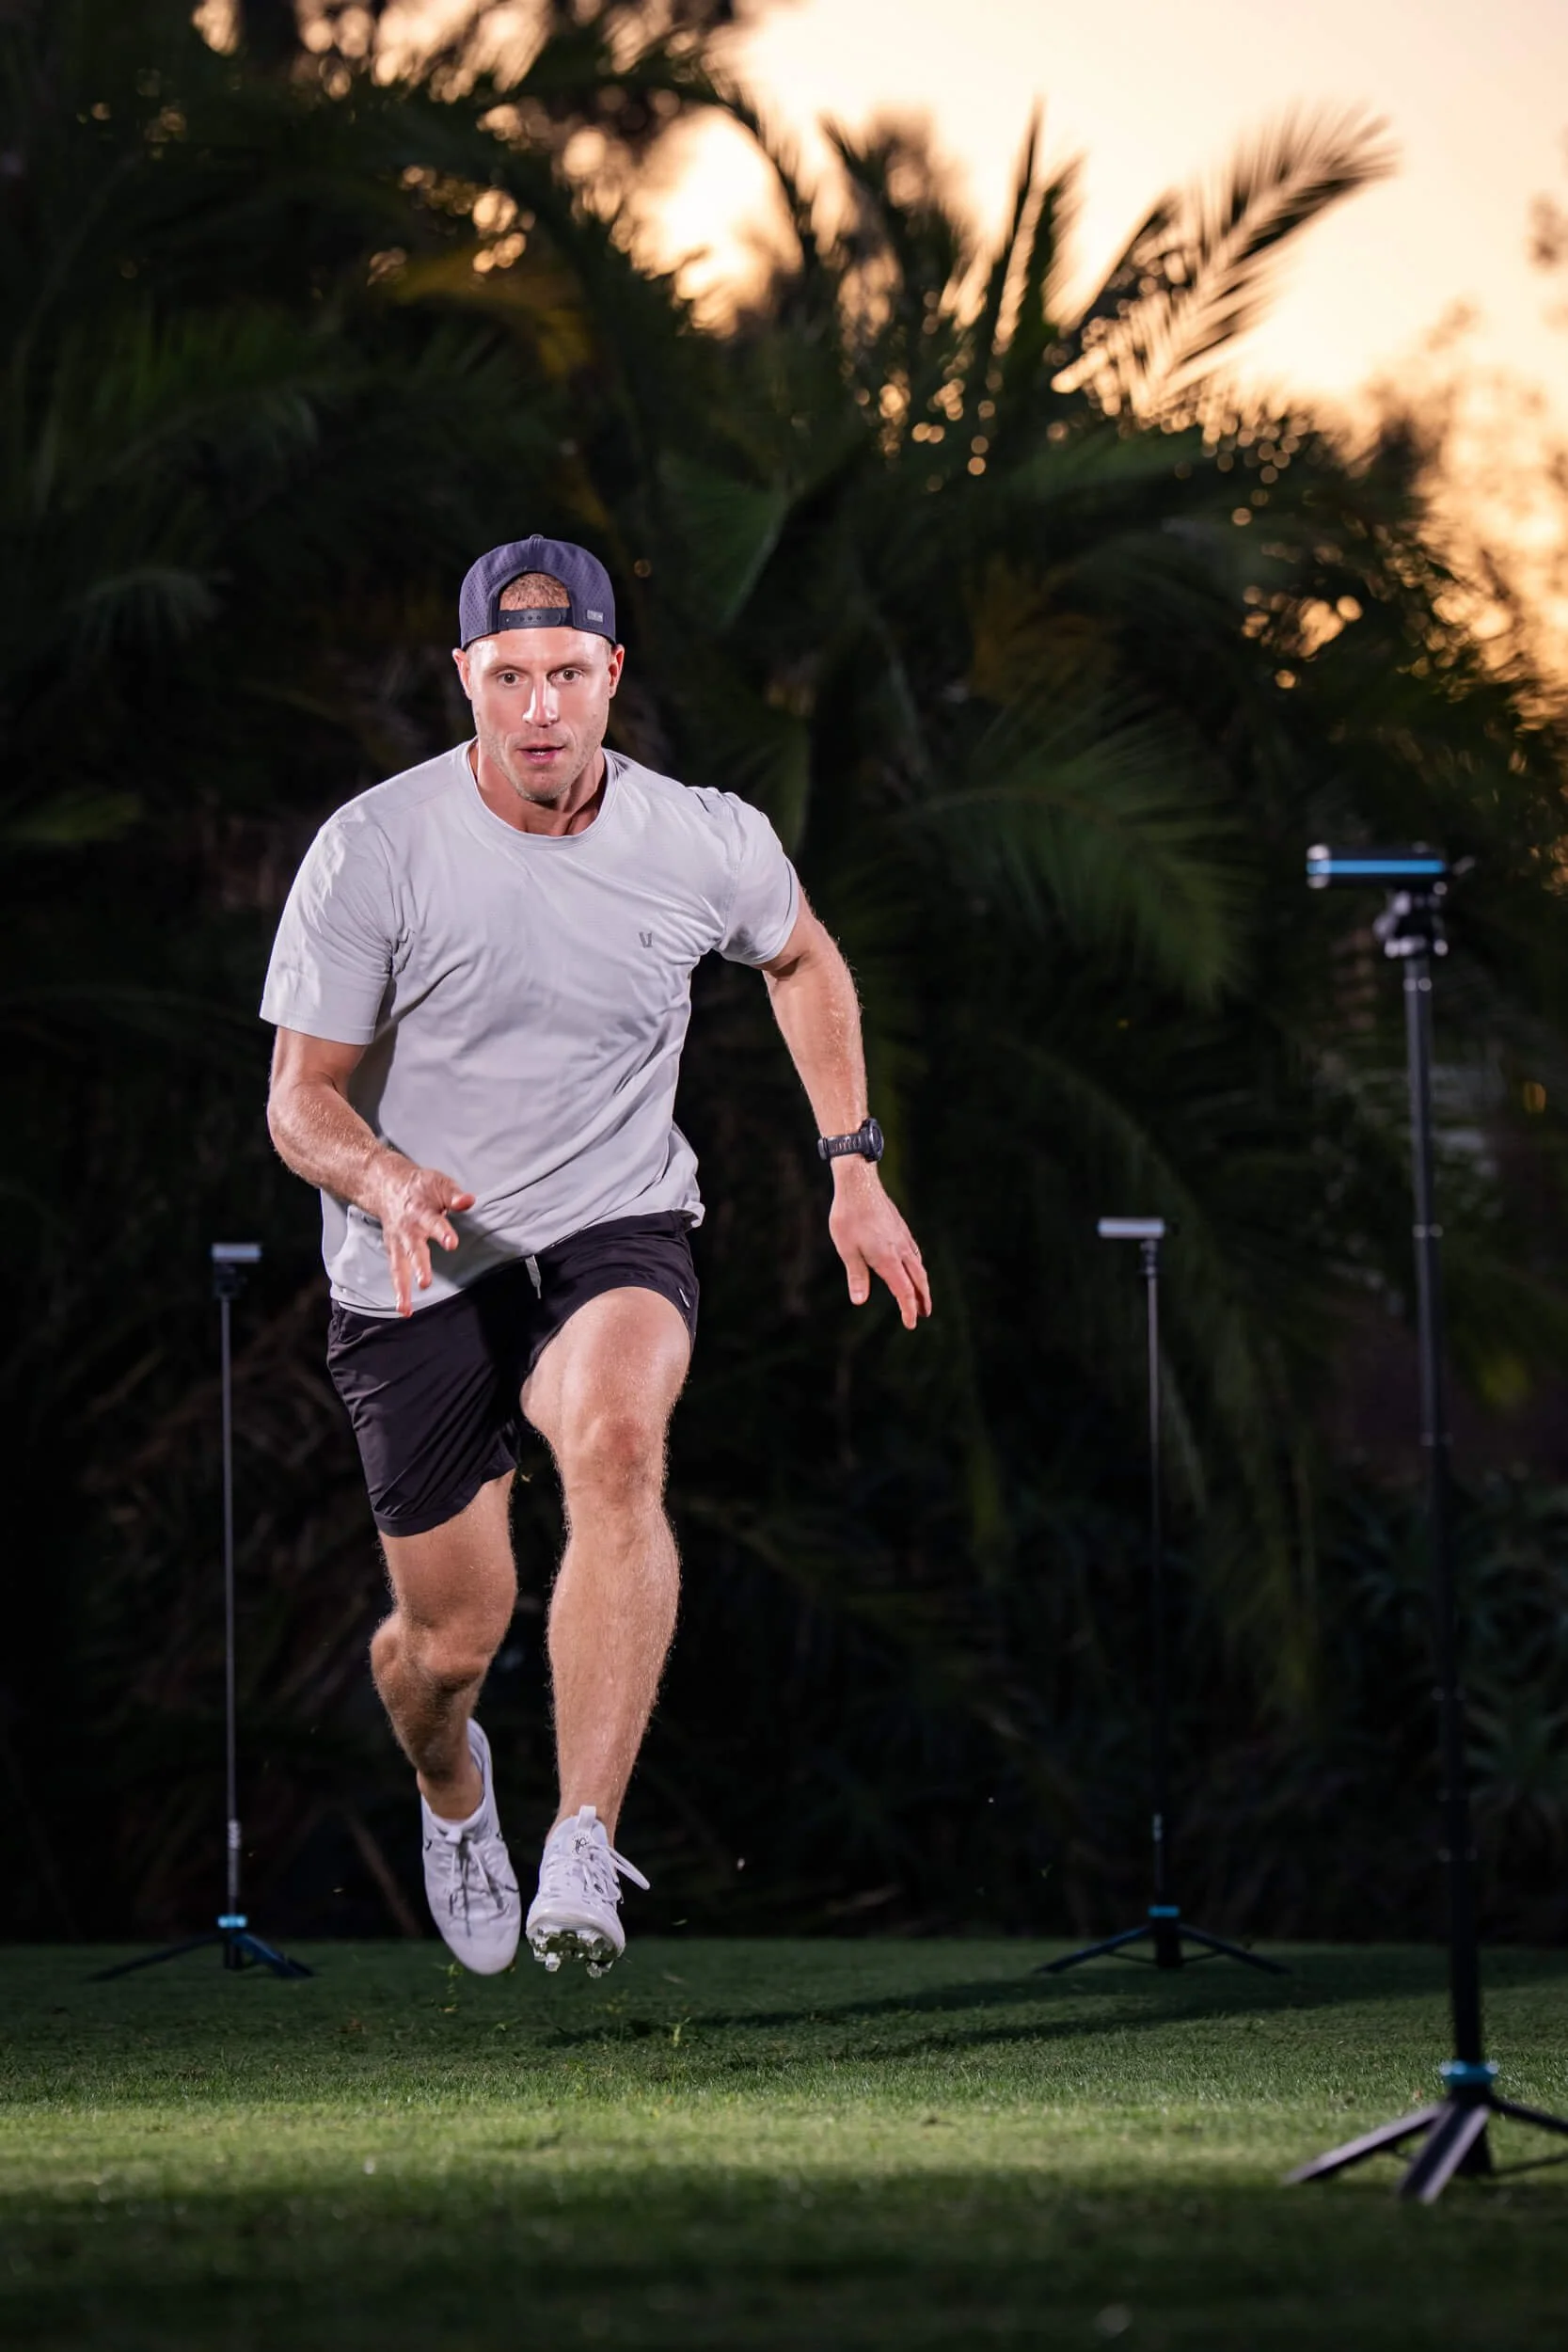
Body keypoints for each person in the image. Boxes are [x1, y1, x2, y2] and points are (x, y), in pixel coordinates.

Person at [261, 536, 931, 1978]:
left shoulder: (702, 838)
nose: (541, 710)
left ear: (612, 675)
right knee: (446, 1648)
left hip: (610, 1224)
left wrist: (852, 1166)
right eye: (510, 678)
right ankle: (458, 1786)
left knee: (620, 1444)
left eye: (569, 673)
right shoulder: (375, 848)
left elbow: (801, 958)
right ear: (468, 682)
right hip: (416, 1263)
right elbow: (297, 1097)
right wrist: (381, 1176)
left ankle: (581, 1839)